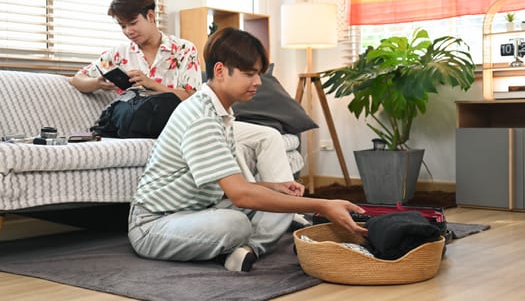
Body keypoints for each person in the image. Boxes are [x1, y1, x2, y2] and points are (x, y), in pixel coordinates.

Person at [128, 27, 368, 272]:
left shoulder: (221, 113)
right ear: (220, 71)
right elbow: (240, 195)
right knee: (236, 224)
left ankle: (246, 251)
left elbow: (233, 185)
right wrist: (321, 205)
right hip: (154, 224)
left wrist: (274, 187)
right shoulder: (200, 117)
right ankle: (243, 244)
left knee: (286, 199)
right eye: (249, 74)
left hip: (201, 209)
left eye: (258, 74)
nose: (258, 82)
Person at [70, 0, 296, 185]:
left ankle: (286, 207)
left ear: (150, 16)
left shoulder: (183, 49)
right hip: (151, 125)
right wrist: (98, 82)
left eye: (132, 23)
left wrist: (152, 84)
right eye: (122, 26)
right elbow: (76, 80)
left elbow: (194, 97)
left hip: (193, 120)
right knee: (235, 143)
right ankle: (265, 206)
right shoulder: (119, 53)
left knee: (270, 136)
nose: (128, 31)